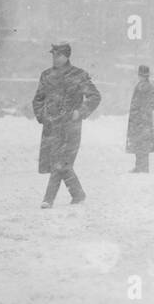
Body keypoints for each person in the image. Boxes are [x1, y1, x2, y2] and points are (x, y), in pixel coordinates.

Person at [32, 43, 102, 208]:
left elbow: (94, 96)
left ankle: (48, 199)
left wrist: (81, 111)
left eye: (57, 55)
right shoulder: (46, 75)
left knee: (60, 162)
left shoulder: (79, 75)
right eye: (53, 55)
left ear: (66, 56)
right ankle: (78, 194)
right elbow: (38, 99)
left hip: (71, 126)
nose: (54, 59)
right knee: (61, 163)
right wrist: (42, 116)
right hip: (52, 127)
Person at [126, 65, 154, 173]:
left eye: (141, 75)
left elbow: (152, 103)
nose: (140, 77)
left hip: (143, 121)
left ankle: (144, 167)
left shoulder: (149, 87)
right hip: (137, 120)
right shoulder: (139, 85)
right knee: (138, 144)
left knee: (143, 144)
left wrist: (144, 113)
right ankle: (139, 166)